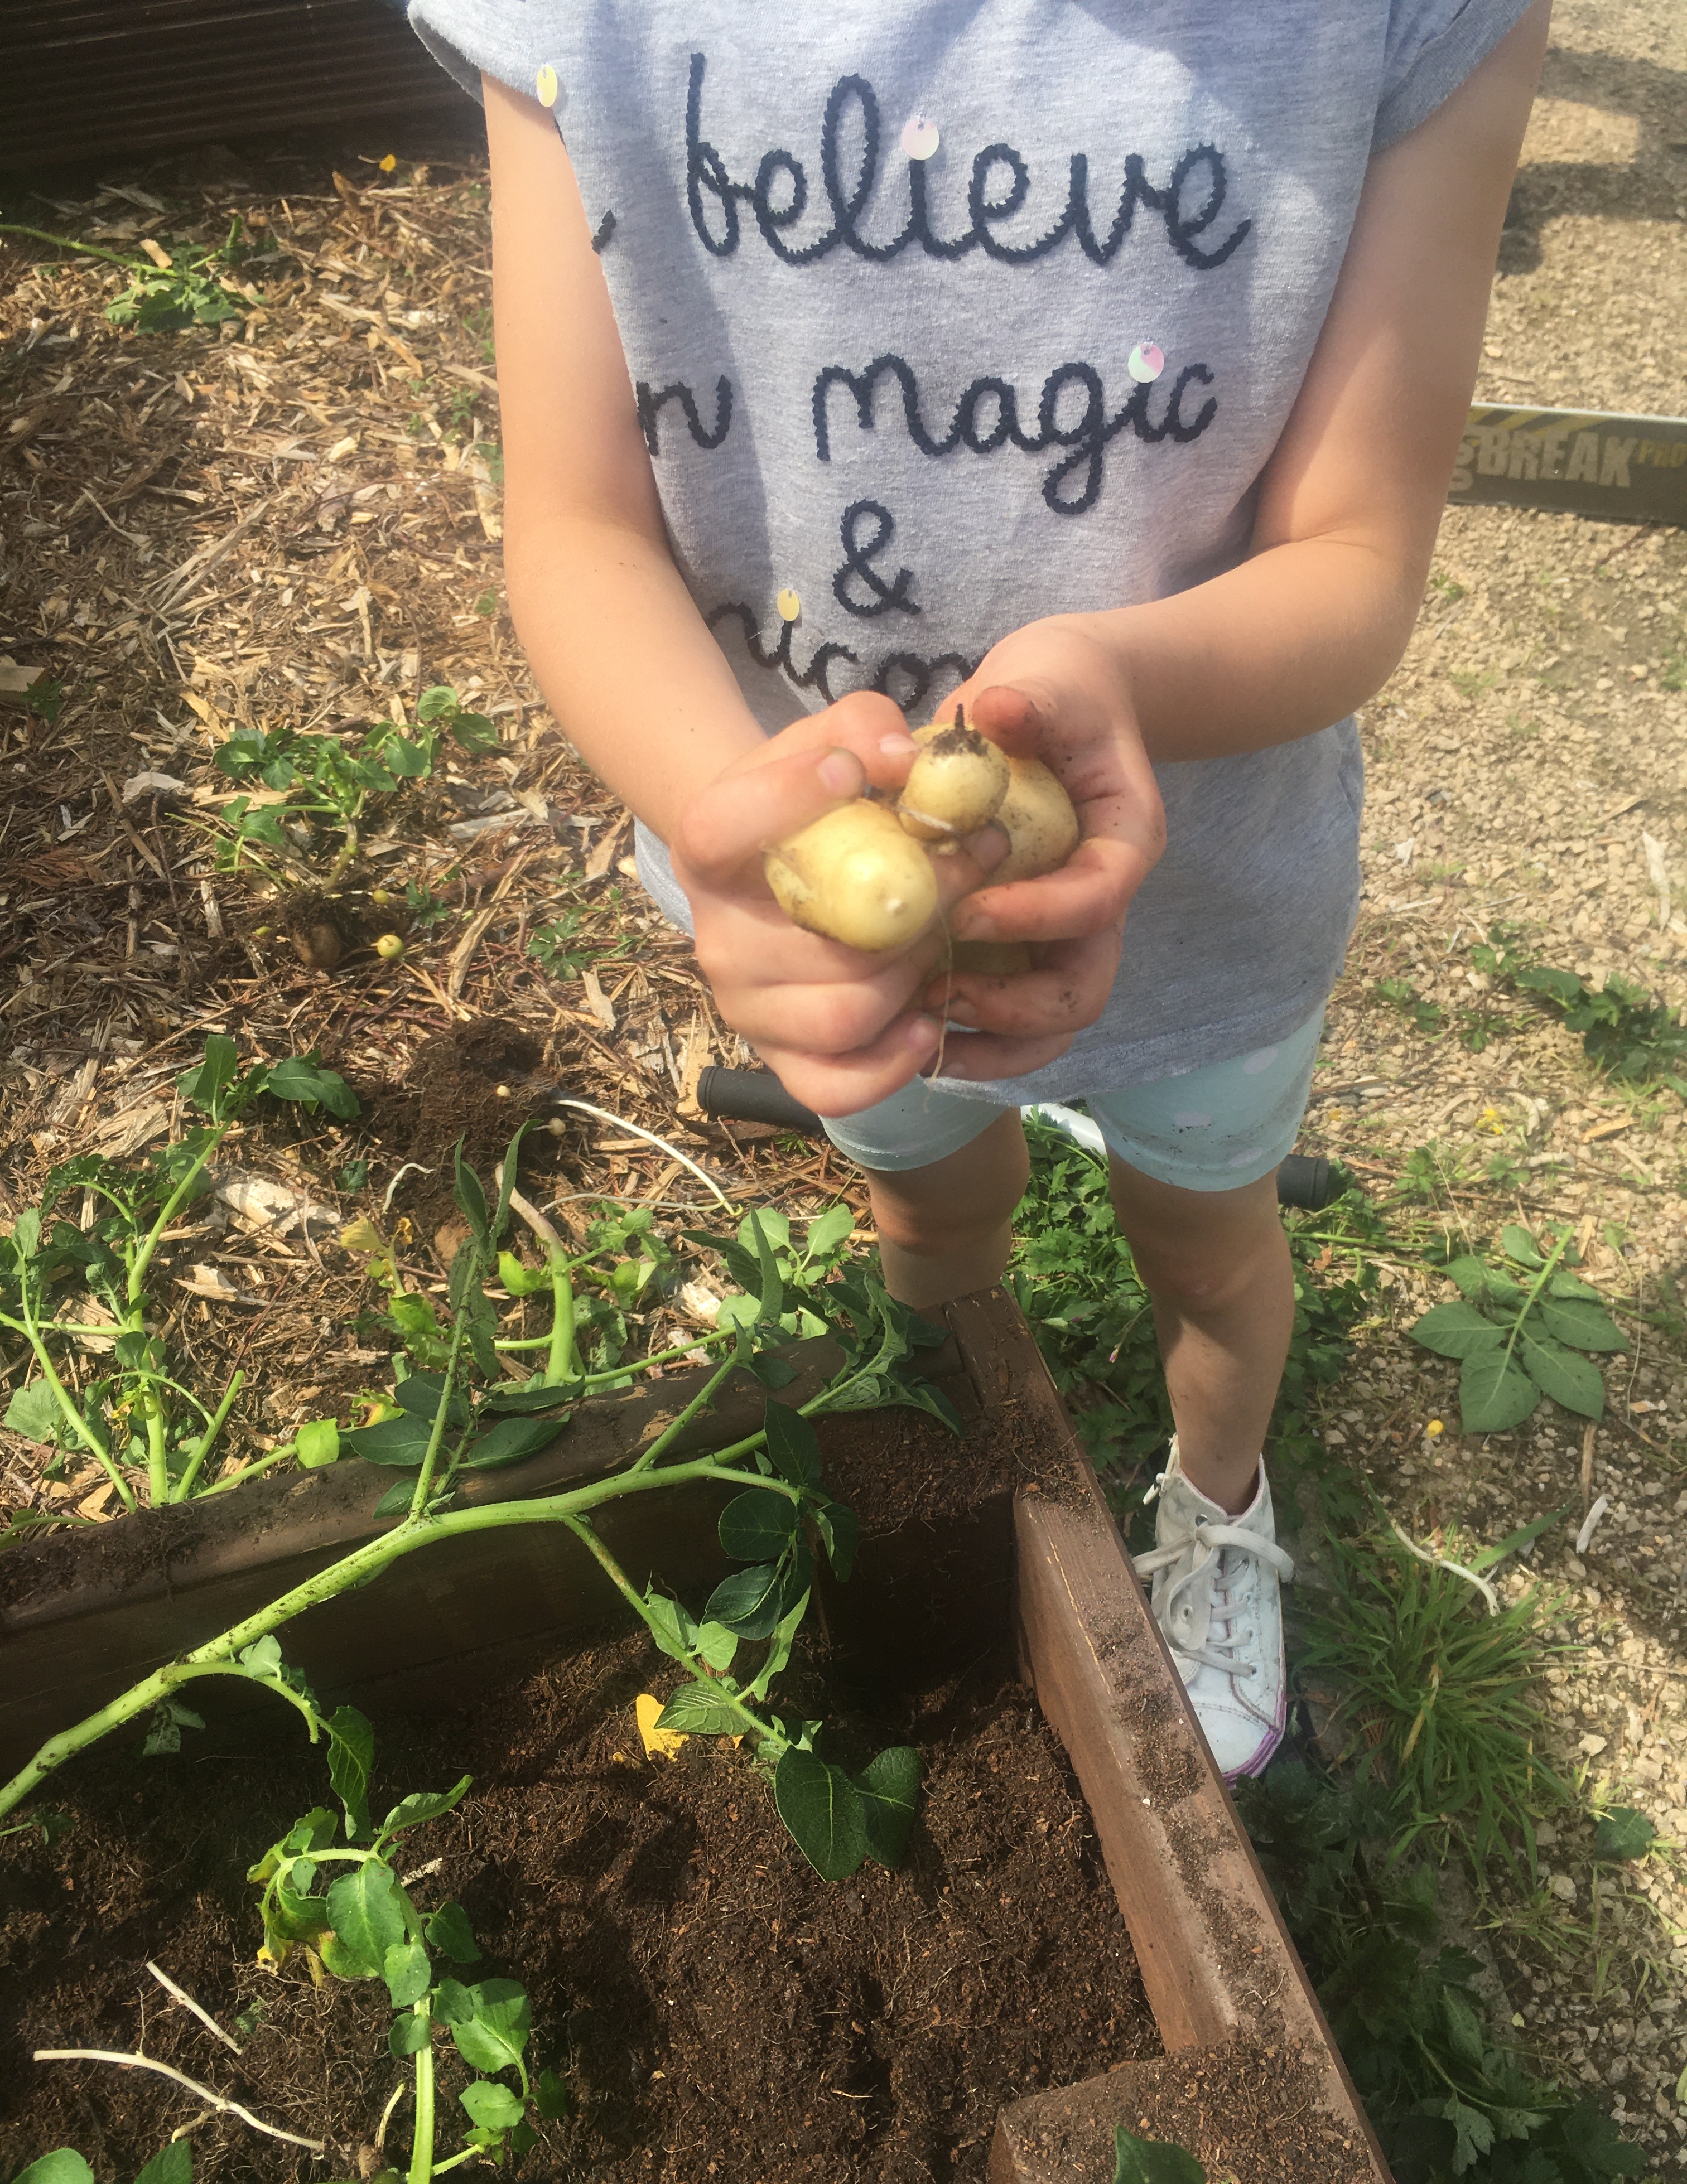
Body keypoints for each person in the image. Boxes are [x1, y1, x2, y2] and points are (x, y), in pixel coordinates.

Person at [407, 0, 1550, 1780]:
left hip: (1208, 901)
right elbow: (578, 522)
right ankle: (961, 1461)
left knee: (1210, 1246)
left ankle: (1216, 1503)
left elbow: (1358, 555)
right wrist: (742, 821)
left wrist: (1113, 675)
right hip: (832, 930)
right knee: (935, 1218)